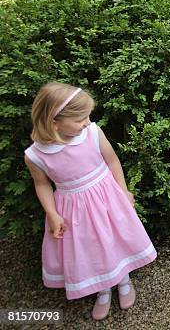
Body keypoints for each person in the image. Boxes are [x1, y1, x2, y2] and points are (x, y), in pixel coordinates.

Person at [24, 82, 157, 320]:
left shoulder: (93, 133)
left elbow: (113, 161)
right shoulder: (36, 155)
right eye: (79, 119)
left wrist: (124, 191)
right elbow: (42, 184)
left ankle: (124, 280)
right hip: (74, 211)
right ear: (54, 121)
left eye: (87, 117)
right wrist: (52, 214)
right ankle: (103, 289)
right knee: (90, 248)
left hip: (107, 199)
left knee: (114, 240)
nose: (86, 122)